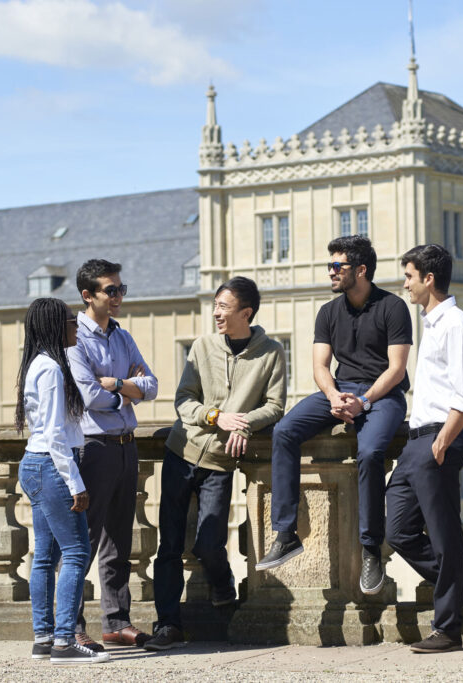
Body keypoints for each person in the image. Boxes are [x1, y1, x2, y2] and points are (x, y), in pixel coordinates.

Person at [256, 235, 412, 595]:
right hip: (339, 389)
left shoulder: (393, 307)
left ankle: (371, 547)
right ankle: (286, 533)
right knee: (284, 431)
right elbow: (320, 365)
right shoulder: (329, 312)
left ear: (360, 270)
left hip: (383, 395)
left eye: (336, 266)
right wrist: (333, 395)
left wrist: (364, 401)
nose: (330, 272)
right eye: (330, 266)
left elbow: (397, 369)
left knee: (371, 453)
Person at [144, 277, 287, 651]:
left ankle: (223, 587)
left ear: (246, 313)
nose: (216, 313)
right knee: (170, 544)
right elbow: (184, 400)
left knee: (210, 544)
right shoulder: (202, 347)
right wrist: (215, 417)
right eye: (216, 306)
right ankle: (168, 625)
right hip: (182, 451)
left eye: (223, 307)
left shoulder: (271, 352)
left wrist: (245, 423)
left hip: (221, 463)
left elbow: (274, 406)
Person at [387, 244, 463, 653]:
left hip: (438, 438)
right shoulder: (432, 324)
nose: (405, 284)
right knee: (397, 530)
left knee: (444, 537)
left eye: (409, 277)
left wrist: (443, 439)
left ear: (429, 279)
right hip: (416, 440)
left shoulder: (456, 324)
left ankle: (448, 629)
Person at [67, 259, 158, 649]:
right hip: (94, 449)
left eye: (121, 288)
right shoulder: (74, 339)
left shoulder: (121, 336)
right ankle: (69, 626)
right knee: (82, 543)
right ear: (88, 296)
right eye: (111, 290)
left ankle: (116, 622)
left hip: (126, 447)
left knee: (119, 541)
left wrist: (118, 384)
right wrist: (128, 390)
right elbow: (89, 396)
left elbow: (152, 385)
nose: (119, 296)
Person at [15, 298, 109, 665]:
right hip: (52, 465)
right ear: (56, 327)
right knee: (76, 552)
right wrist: (76, 484)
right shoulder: (52, 369)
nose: (76, 327)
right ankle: (65, 641)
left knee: (45, 557)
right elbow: (56, 435)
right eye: (71, 321)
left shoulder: (37, 365)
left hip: (34, 464)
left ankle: (44, 638)